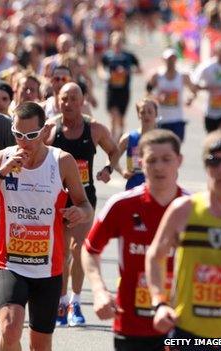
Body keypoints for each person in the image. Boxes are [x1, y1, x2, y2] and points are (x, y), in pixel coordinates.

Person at [0, 102, 93, 351]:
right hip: (10, 262)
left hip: (48, 267)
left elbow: (86, 206)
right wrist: (2, 172)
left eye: (32, 135)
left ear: (45, 131)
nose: (24, 142)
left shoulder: (62, 161)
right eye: (18, 134)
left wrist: (78, 212)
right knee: (10, 327)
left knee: (40, 344)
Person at [83, 129, 185, 351]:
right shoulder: (122, 205)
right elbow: (90, 249)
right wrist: (99, 290)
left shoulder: (193, 208)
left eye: (166, 159)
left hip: (181, 326)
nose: (159, 167)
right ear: (140, 162)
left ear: (179, 161)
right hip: (131, 324)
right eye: (152, 160)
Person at [146, 131, 221, 349]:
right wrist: (159, 303)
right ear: (205, 166)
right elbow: (154, 256)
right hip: (188, 334)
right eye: (214, 162)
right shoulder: (183, 209)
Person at [47, 82, 120, 327]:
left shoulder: (95, 129)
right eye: (64, 98)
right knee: (62, 253)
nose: (68, 103)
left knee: (78, 250)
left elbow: (114, 149)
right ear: (58, 100)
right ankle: (61, 300)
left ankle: (75, 302)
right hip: (58, 200)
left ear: (82, 101)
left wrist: (109, 168)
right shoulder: (51, 129)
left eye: (73, 98)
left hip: (83, 199)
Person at [146, 48, 196, 141]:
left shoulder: (183, 76)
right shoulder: (157, 76)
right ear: (163, 60)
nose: (171, 61)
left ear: (176, 59)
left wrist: (190, 98)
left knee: (176, 148)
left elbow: (193, 91)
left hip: (177, 119)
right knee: (161, 147)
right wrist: (158, 98)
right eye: (168, 59)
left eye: (173, 58)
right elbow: (147, 94)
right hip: (161, 119)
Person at [100, 32, 141, 140]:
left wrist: (127, 72)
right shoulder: (107, 55)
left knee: (121, 118)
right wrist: (104, 75)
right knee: (113, 116)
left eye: (119, 42)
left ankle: (121, 136)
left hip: (124, 90)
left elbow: (139, 70)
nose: (117, 45)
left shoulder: (129, 56)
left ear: (122, 43)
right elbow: (100, 68)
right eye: (115, 42)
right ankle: (113, 139)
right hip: (111, 90)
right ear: (111, 43)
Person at [190, 40, 221, 133]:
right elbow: (192, 83)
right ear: (216, 51)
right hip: (211, 113)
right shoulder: (207, 66)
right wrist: (207, 88)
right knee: (212, 140)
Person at [118, 98, 158, 190]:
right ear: (138, 115)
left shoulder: (163, 139)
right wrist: (122, 171)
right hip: (133, 187)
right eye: (143, 112)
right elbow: (112, 159)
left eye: (150, 112)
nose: (146, 115)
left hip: (155, 188)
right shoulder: (129, 138)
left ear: (156, 114)